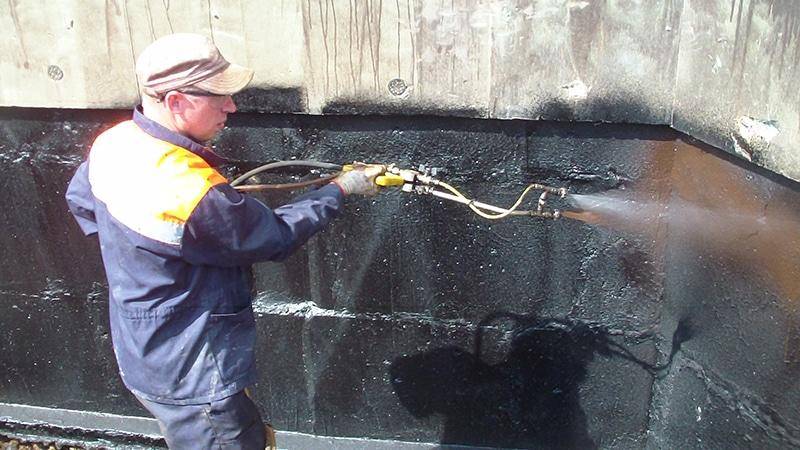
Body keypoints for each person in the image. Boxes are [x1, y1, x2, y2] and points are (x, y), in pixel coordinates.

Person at [65, 33, 382, 450]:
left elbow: (81, 202)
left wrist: (145, 261)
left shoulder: (116, 142)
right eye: (219, 96)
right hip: (195, 372)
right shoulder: (190, 192)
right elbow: (275, 237)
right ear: (176, 102)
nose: (231, 106)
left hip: (146, 350)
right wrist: (340, 190)